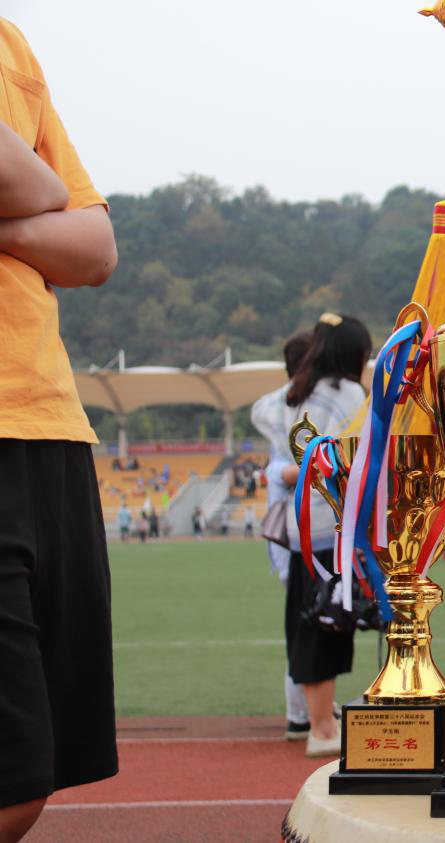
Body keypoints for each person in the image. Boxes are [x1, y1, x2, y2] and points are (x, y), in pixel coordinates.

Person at [0, 18, 120, 840]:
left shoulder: (11, 44)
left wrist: (23, 213)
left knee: (35, 771)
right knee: (14, 777)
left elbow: (95, 247)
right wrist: (39, 204)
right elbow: (41, 192)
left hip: (49, 423)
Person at [253, 315, 371, 757]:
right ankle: (321, 729)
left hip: (300, 528)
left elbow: (260, 411)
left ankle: (317, 720)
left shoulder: (291, 394)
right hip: (335, 527)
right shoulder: (348, 393)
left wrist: (292, 460)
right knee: (330, 624)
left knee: (308, 623)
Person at [252, 332, 314, 741]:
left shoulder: (286, 404)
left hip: (297, 531)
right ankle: (300, 714)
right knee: (304, 624)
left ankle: (308, 708)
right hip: (294, 531)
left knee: (308, 622)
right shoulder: (290, 405)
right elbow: (278, 469)